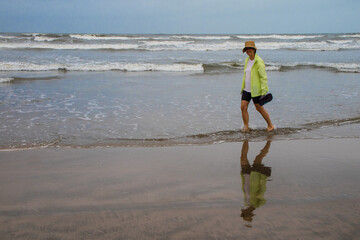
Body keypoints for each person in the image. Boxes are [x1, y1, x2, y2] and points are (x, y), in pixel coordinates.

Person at [240, 41, 275, 132]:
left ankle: (270, 125)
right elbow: (246, 75)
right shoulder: (247, 60)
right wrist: (242, 87)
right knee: (243, 107)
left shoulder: (259, 61)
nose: (248, 51)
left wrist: (264, 90)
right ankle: (246, 127)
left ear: (254, 50)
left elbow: (263, 77)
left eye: (250, 49)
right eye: (247, 49)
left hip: (255, 89)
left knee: (259, 108)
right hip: (246, 89)